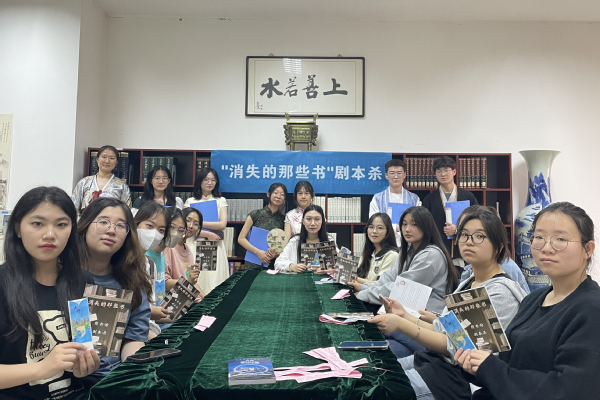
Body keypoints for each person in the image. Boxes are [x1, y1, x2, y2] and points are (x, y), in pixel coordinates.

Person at [370, 205, 527, 398]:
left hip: (456, 380)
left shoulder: (499, 291)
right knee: (371, 371)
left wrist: (401, 324)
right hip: (436, 362)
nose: (469, 242)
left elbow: (457, 346)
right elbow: (445, 329)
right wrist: (404, 315)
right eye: (464, 235)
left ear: (499, 246)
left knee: (377, 389)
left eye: (479, 236)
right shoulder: (470, 281)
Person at [454, 202, 600, 400]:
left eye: (560, 239)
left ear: (588, 249)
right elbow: (508, 364)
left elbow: (570, 390)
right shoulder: (533, 299)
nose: (546, 248)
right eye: (538, 237)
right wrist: (477, 365)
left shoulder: (591, 309)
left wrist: (492, 369)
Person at [0, 187, 100, 400]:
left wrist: (86, 365)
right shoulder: (2, 284)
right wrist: (42, 368)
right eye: (38, 224)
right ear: (17, 228)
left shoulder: (83, 281)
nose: (50, 235)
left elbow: (84, 346)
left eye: (61, 225)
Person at [76, 197, 152, 383]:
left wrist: (131, 374)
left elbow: (132, 339)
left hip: (112, 378)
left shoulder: (132, 281)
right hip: (66, 378)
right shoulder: (61, 275)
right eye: (103, 222)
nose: (111, 230)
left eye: (120, 225)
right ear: (85, 225)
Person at [348, 206, 458, 315]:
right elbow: (388, 279)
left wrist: (361, 295)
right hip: (406, 309)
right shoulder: (408, 251)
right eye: (404, 224)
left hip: (429, 314)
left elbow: (401, 289)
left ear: (426, 227)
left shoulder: (431, 255)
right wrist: (362, 287)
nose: (407, 229)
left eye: (414, 224)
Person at [422, 156, 478, 259]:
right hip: (438, 250)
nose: (443, 174)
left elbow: (477, 221)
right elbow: (425, 226)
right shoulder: (429, 199)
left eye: (446, 170)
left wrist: (457, 230)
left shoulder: (468, 197)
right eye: (439, 171)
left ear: (454, 172)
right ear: (435, 174)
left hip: (465, 248)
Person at [184, 167, 229, 292]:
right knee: (198, 277)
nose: (210, 183)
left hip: (214, 244)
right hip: (195, 243)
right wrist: (204, 232)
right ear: (200, 181)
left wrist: (197, 224)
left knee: (214, 279)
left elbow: (222, 224)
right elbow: (186, 226)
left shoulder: (220, 200)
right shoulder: (190, 201)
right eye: (206, 179)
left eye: (213, 180)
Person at [132, 201, 172, 337]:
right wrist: (148, 312)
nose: (154, 234)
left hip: (148, 327)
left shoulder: (149, 263)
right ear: (136, 224)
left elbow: (151, 302)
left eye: (161, 230)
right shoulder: (121, 260)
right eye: (149, 226)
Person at [370, 159, 421, 245]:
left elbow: (419, 222)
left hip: (409, 244)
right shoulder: (377, 199)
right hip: (384, 243)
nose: (396, 176)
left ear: (404, 175)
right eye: (392, 173)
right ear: (386, 175)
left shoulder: (414, 199)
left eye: (399, 173)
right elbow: (374, 223)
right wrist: (397, 227)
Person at [72, 145, 131, 217]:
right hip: (85, 222)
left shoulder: (122, 186)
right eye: (104, 157)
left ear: (116, 162)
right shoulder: (84, 182)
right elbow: (73, 208)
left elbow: (127, 212)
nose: (107, 161)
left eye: (112, 158)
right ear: (97, 159)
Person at [238, 183, 287, 270]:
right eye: (276, 193)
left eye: (282, 194)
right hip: (253, 262)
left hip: (272, 264)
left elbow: (285, 244)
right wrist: (258, 252)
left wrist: (276, 254)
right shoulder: (255, 214)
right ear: (268, 194)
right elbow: (241, 239)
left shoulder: (284, 219)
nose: (278, 196)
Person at [275, 205, 337, 273]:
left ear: (322, 221)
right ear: (303, 221)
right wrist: (291, 266)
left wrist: (329, 268)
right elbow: (278, 263)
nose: (312, 223)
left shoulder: (329, 240)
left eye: (317, 219)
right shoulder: (295, 240)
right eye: (308, 219)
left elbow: (341, 265)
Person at [163, 208, 205, 298]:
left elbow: (192, 283)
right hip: (174, 300)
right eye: (188, 221)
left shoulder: (188, 250)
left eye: (196, 224)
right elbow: (165, 283)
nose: (190, 226)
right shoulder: (169, 246)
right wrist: (188, 281)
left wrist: (205, 298)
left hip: (188, 298)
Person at [356, 213, 399, 283]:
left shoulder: (392, 255)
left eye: (380, 228)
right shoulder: (368, 253)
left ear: (388, 231)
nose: (374, 231)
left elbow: (381, 284)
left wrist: (354, 279)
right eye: (371, 227)